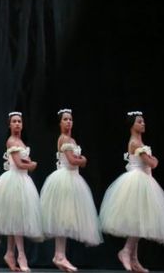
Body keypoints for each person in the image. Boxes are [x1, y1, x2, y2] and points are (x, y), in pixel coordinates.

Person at [99, 111, 164, 272]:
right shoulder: (135, 142)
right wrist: (154, 160)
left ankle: (134, 259)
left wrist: (152, 161)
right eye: (139, 122)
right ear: (132, 125)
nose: (143, 124)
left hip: (145, 180)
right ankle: (126, 251)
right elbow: (151, 163)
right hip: (138, 181)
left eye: (143, 121)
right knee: (139, 221)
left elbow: (150, 162)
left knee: (140, 220)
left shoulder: (140, 142)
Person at [39, 108, 102, 272]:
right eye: (65, 119)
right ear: (60, 123)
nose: (68, 122)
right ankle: (59, 255)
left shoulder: (72, 140)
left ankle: (59, 255)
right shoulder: (64, 139)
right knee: (63, 218)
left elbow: (76, 160)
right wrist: (83, 160)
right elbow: (72, 160)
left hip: (74, 178)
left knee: (66, 219)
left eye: (70, 119)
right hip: (65, 179)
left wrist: (80, 160)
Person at [0, 112, 43, 272]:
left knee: (14, 219)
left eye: (19, 121)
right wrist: (31, 165)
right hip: (14, 181)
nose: (17, 124)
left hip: (23, 180)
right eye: (14, 121)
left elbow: (24, 160)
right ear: (10, 125)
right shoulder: (11, 141)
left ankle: (10, 253)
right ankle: (21, 255)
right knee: (17, 219)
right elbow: (19, 163)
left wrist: (29, 163)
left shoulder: (21, 141)